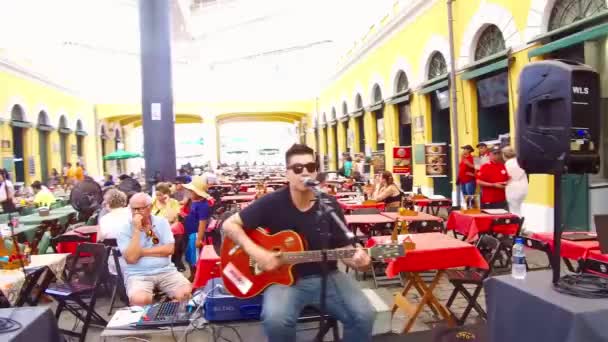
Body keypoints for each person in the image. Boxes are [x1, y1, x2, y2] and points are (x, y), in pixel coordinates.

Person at [223, 144, 374, 342]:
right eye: (297, 168)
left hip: (328, 276)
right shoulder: (271, 203)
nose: (304, 172)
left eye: (310, 167)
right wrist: (258, 253)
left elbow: (344, 249)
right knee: (275, 321)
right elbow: (229, 225)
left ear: (316, 172)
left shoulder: (328, 204)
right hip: (284, 282)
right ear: (287, 174)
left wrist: (360, 261)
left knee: (364, 315)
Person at [116, 193, 192, 306]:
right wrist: (137, 230)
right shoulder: (124, 228)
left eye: (139, 209)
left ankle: (167, 308)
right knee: (140, 300)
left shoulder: (161, 222)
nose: (136, 213)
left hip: (165, 270)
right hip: (138, 274)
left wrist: (142, 250)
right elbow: (131, 259)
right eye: (133, 209)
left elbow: (169, 249)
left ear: (150, 208)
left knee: (186, 293)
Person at [182, 176, 211, 278]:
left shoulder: (203, 206)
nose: (189, 193)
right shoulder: (195, 202)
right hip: (190, 233)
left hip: (195, 234)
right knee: (189, 255)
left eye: (191, 191)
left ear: (197, 193)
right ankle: (192, 275)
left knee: (196, 258)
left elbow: (202, 223)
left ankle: (197, 277)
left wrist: (199, 239)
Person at [97, 189, 130, 275]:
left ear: (107, 204)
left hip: (116, 265)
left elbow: (99, 241)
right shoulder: (133, 213)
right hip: (139, 262)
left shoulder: (103, 220)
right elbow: (151, 234)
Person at [502, 146, 528, 216]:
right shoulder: (519, 161)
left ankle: (517, 225)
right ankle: (521, 224)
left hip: (513, 188)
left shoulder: (508, 163)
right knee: (519, 209)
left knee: (514, 210)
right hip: (524, 187)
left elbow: (511, 177)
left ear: (504, 155)